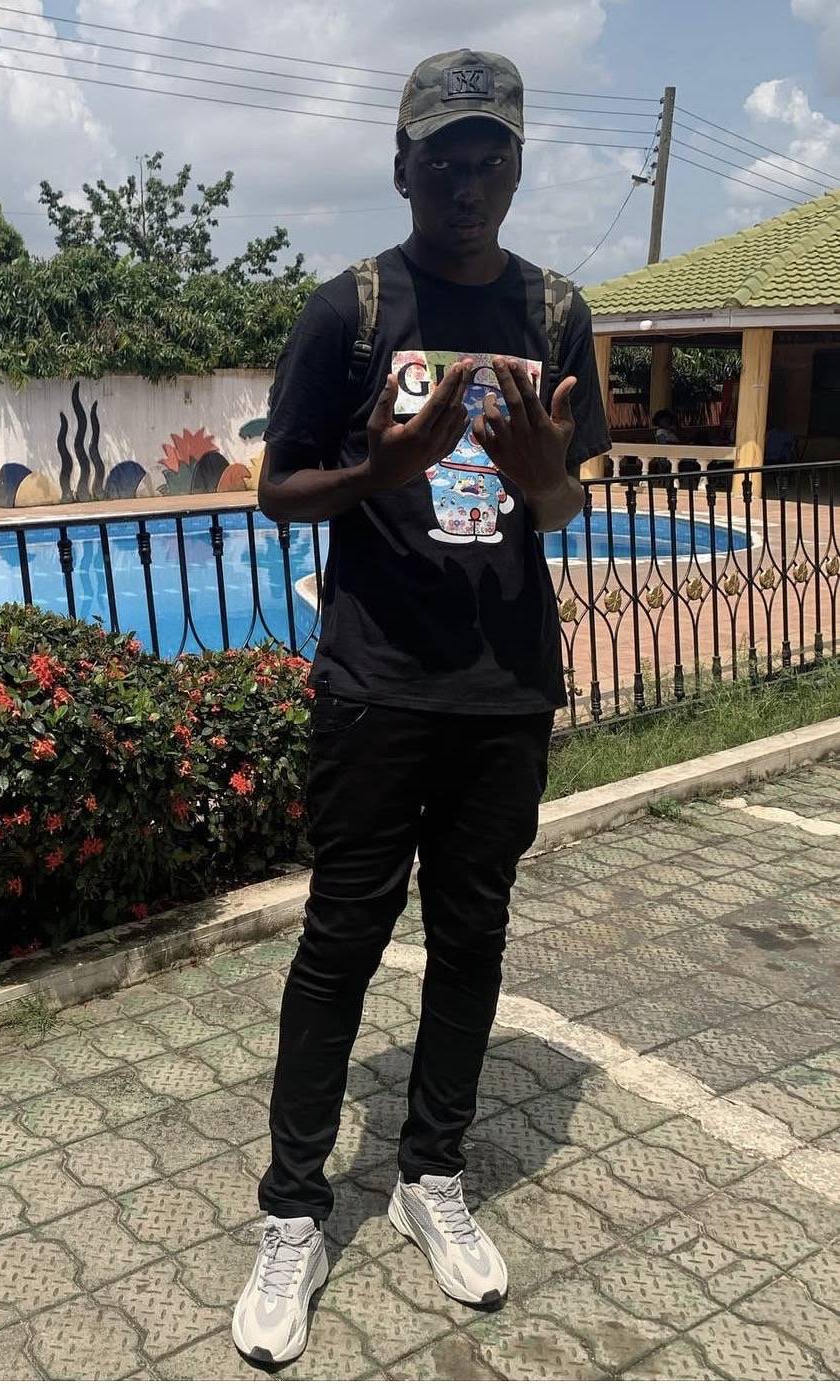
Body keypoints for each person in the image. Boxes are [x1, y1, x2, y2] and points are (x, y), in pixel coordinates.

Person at [231, 48, 611, 1366]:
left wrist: (546, 478)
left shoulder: (556, 312)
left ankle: (430, 1173)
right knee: (340, 940)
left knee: (473, 934)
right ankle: (292, 1208)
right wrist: (377, 471)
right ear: (402, 167)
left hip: (505, 686)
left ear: (518, 168)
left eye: (489, 158)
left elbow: (563, 510)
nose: (466, 182)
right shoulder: (349, 310)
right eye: (443, 157)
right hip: (376, 682)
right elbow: (279, 493)